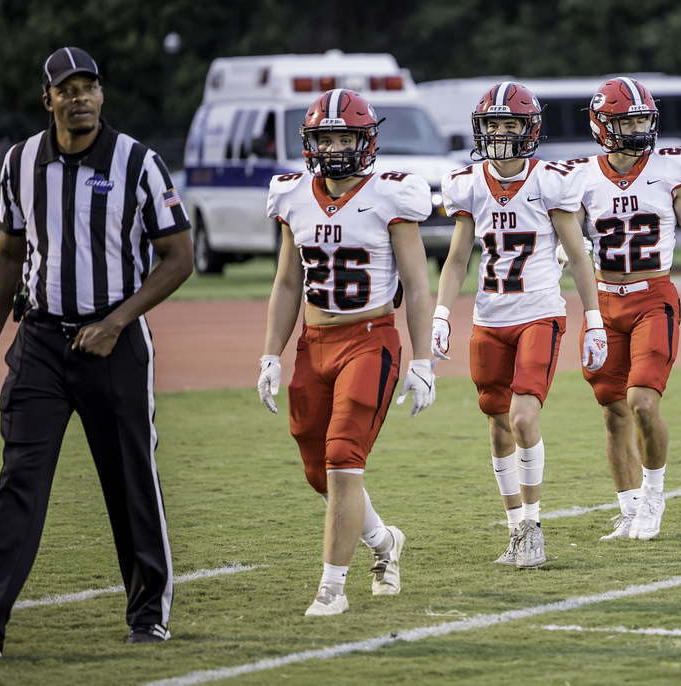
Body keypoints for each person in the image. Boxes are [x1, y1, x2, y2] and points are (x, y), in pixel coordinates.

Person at [0, 47, 194, 656]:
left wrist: (116, 321)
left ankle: (148, 615)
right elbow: (6, 255)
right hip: (42, 341)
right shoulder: (21, 162)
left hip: (117, 344)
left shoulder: (139, 163)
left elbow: (179, 257)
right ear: (48, 99)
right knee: (18, 481)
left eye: (90, 87)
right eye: (67, 88)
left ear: (102, 95)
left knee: (130, 480)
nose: (80, 97)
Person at [257, 88, 436, 616]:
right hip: (313, 347)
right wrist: (272, 353)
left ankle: (331, 589)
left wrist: (423, 361)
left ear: (367, 140)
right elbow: (288, 283)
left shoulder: (391, 195)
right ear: (310, 142)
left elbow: (418, 285)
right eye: (325, 137)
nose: (335, 147)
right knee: (320, 472)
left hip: (368, 340)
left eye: (344, 136)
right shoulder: (293, 195)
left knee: (342, 459)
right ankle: (383, 542)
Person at [431, 82, 607, 569]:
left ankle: (533, 527)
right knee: (497, 427)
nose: (502, 133)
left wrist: (594, 320)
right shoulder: (468, 183)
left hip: (539, 314)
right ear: (480, 130)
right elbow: (457, 258)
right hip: (490, 318)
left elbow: (577, 253)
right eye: (494, 125)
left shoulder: (550, 180)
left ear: (529, 129)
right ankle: (514, 532)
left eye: (511, 124)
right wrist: (442, 314)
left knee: (523, 419)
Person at [559, 77, 681, 541]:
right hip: (603, 301)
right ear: (603, 125)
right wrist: (565, 246)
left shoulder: (671, 168)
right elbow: (569, 232)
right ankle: (628, 508)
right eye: (629, 120)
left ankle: (654, 496)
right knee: (612, 411)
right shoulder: (580, 174)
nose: (640, 128)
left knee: (642, 403)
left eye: (644, 118)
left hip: (652, 298)